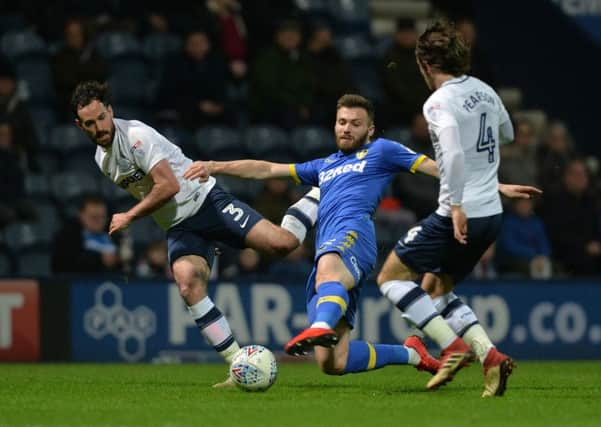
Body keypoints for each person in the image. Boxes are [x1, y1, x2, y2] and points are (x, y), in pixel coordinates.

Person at [185, 93, 464, 379]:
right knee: (333, 363)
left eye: (355, 124)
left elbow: (432, 166)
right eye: (342, 122)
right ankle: (412, 354)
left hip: (354, 236)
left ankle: (321, 325)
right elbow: (266, 169)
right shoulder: (324, 166)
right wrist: (215, 166)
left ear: (369, 129)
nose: (347, 128)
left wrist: (488, 186)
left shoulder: (382, 151)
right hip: (328, 250)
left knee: (327, 275)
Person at [70, 80, 319, 386]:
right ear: (80, 126)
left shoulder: (135, 137)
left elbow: (168, 186)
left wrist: (130, 216)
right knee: (188, 285)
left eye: (101, 118)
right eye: (90, 123)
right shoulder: (101, 158)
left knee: (283, 244)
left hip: (206, 203)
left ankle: (320, 191)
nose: (98, 127)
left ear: (110, 110)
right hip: (179, 226)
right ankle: (237, 367)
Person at [375, 20, 541, 397]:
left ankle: (452, 348)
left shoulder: (437, 101)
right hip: (491, 215)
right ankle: (490, 357)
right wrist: (492, 182)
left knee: (390, 277)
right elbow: (507, 135)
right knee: (434, 289)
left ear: (424, 64)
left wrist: (454, 205)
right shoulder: (484, 90)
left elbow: (450, 152)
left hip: (460, 213)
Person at [51, 194, 121, 274]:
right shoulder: (67, 237)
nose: (99, 221)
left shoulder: (115, 235)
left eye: (103, 217)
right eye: (94, 217)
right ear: (81, 215)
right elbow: (66, 265)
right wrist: (100, 259)